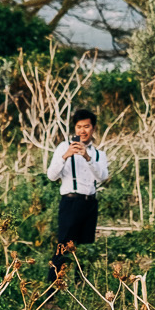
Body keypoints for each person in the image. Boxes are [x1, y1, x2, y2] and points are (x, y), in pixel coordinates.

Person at [46, 107, 108, 285]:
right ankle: (52, 291)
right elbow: (51, 176)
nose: (83, 130)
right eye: (79, 126)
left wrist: (88, 158)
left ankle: (82, 290)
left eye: (87, 126)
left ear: (93, 128)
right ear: (75, 128)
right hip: (70, 203)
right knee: (63, 247)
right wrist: (66, 156)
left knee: (86, 248)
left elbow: (102, 176)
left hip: (90, 204)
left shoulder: (98, 154)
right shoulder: (63, 148)